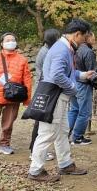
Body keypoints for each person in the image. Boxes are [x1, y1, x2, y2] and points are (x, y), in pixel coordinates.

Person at [28, 19, 95, 182]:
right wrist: (73, 87)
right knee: (47, 133)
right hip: (55, 97)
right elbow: (57, 75)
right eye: (83, 38)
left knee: (62, 131)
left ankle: (65, 164)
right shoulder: (61, 49)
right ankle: (35, 170)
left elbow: (65, 71)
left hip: (59, 97)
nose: (84, 41)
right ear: (76, 34)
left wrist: (81, 75)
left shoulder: (65, 47)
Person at [29, 28, 61, 161]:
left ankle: (36, 149)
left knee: (41, 121)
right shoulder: (47, 52)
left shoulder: (46, 50)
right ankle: (35, 151)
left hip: (43, 88)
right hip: (45, 90)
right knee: (41, 121)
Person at [68, 31, 97, 145]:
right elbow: (92, 71)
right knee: (84, 112)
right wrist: (96, 84)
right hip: (84, 84)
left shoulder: (74, 49)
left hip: (73, 83)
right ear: (88, 37)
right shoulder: (88, 52)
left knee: (74, 110)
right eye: (93, 37)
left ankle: (66, 134)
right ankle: (77, 137)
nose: (95, 40)